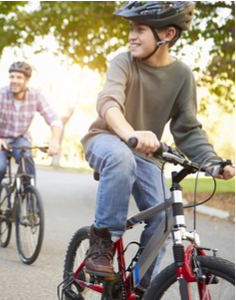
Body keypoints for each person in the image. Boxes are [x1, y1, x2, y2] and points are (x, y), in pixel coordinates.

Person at [80, 1, 235, 297]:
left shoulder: (182, 75)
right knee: (121, 156)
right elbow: (109, 102)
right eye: (131, 29)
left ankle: (137, 287)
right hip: (107, 140)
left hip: (146, 155)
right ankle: (102, 244)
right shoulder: (123, 62)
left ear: (166, 34)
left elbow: (188, 128)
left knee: (164, 220)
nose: (131, 36)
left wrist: (213, 161)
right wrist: (129, 134)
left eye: (140, 30)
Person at [0, 61, 63, 226]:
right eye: (12, 77)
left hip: (20, 137)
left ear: (27, 80)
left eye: (19, 77)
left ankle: (31, 205)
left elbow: (54, 119)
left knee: (27, 161)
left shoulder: (36, 95)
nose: (14, 80)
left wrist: (55, 139)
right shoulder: (0, 94)